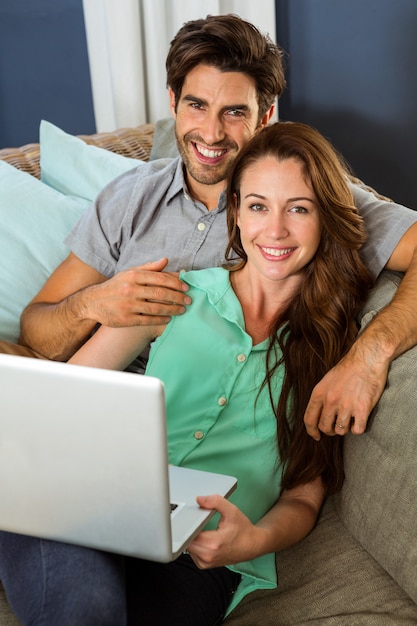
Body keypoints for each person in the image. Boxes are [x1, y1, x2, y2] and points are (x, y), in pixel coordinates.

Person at [0, 121, 375, 625]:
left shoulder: (336, 350)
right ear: (237, 213)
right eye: (258, 206)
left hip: (203, 555)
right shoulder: (172, 294)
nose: (276, 230)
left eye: (299, 209)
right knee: (85, 609)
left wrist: (254, 539)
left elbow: (305, 494)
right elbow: (64, 404)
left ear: (325, 218)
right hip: (91, 506)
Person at [2, 14, 417, 436]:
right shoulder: (130, 197)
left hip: (193, 428)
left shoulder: (301, 202)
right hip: (90, 397)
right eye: (196, 105)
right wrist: (92, 303)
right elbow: (36, 329)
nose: (211, 133)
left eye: (234, 111)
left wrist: (370, 355)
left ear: (265, 116)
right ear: (173, 103)